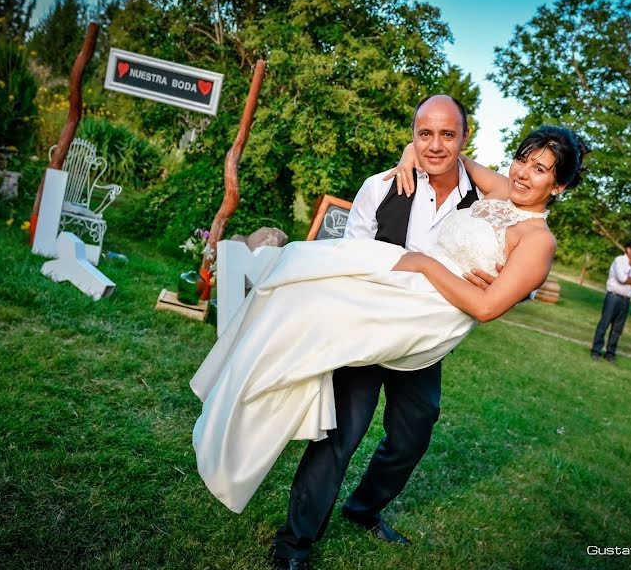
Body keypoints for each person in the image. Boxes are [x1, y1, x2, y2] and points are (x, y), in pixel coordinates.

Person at [189, 112, 587, 570]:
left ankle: (363, 509)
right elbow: (455, 153)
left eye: (540, 170)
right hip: (385, 304)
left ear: (558, 187)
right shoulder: (499, 191)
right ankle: (294, 544)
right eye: (522, 160)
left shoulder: (539, 240)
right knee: (342, 426)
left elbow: (487, 308)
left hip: (424, 326)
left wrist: (426, 265)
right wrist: (408, 151)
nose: (523, 173)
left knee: (411, 435)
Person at [590, 240, 631, 362]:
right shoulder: (619, 261)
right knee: (604, 324)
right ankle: (596, 351)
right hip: (613, 298)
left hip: (626, 300)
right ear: (628, 249)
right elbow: (622, 278)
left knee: (618, 328)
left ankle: (610, 353)